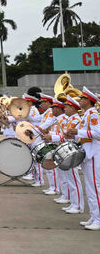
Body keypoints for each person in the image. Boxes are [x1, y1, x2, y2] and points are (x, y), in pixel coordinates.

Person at [66, 87, 100, 229]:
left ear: (88, 100)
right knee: (90, 188)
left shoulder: (93, 114)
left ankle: (98, 220)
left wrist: (78, 132)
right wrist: (74, 135)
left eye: (82, 98)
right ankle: (94, 216)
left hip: (94, 153)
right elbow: (85, 135)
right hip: (87, 153)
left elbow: (98, 133)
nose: (79, 100)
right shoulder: (87, 114)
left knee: (95, 187)